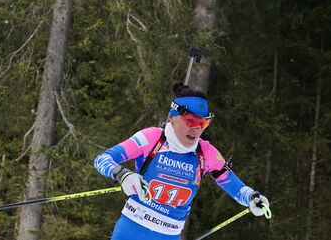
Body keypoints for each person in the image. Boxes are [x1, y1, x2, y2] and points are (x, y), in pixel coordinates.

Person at [93, 83, 269, 240]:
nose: (196, 128)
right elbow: (102, 159)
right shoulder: (152, 138)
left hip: (169, 234)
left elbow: (233, 184)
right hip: (132, 229)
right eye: (190, 120)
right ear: (172, 117)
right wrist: (123, 175)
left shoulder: (206, 153)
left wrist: (252, 197)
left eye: (202, 123)